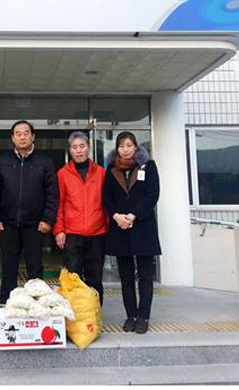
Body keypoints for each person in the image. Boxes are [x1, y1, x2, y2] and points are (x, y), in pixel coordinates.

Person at [0, 120, 59, 304]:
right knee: (8, 267)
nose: (22, 136)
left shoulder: (44, 162)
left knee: (35, 267)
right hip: (8, 223)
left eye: (26, 133)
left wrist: (48, 219)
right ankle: (7, 304)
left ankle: (37, 304)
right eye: (18, 133)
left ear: (33, 136)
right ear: (13, 138)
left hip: (35, 224)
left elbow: (52, 194)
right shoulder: (4, 161)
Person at [103, 131, 161, 334]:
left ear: (136, 147)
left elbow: (152, 195)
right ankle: (131, 315)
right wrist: (117, 216)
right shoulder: (110, 170)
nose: (125, 149)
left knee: (145, 276)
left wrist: (134, 215)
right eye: (121, 146)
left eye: (129, 145)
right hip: (120, 228)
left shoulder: (148, 166)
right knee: (126, 277)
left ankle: (143, 317)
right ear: (117, 149)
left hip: (143, 226)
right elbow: (106, 199)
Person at [53, 131, 108, 305]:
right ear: (70, 150)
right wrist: (59, 230)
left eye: (82, 146)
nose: (79, 151)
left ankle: (94, 316)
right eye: (75, 147)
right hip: (72, 235)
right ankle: (75, 320)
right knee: (73, 279)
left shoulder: (101, 173)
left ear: (89, 148)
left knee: (95, 279)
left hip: (97, 233)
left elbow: (107, 202)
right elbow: (59, 204)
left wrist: (107, 226)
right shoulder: (63, 174)